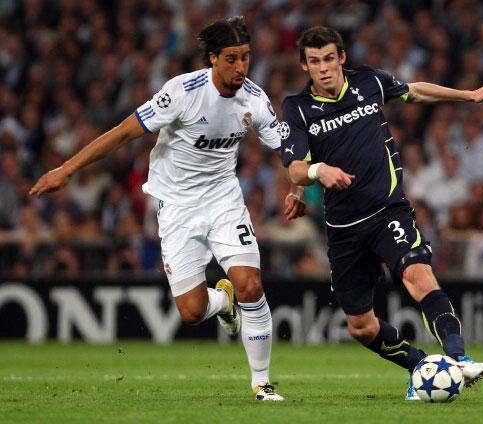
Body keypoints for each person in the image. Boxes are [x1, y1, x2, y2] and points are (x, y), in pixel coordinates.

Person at [30, 16, 305, 401]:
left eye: (245, 57)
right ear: (212, 58)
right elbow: (124, 131)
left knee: (251, 284)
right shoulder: (182, 92)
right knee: (192, 312)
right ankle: (223, 302)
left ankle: (261, 383)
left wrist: (297, 188)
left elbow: (288, 152)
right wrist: (67, 169)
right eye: (231, 58)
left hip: (224, 201)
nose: (241, 67)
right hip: (176, 207)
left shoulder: (254, 100)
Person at [280, 26, 483, 400]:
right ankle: (419, 364)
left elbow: (414, 91)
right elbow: (294, 165)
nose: (323, 68)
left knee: (419, 275)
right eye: (313, 61)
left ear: (341, 58)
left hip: (387, 210)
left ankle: (458, 357)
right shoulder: (297, 107)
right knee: (361, 327)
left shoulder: (368, 81)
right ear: (304, 66)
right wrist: (314, 174)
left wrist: (470, 95)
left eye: (328, 59)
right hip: (344, 229)